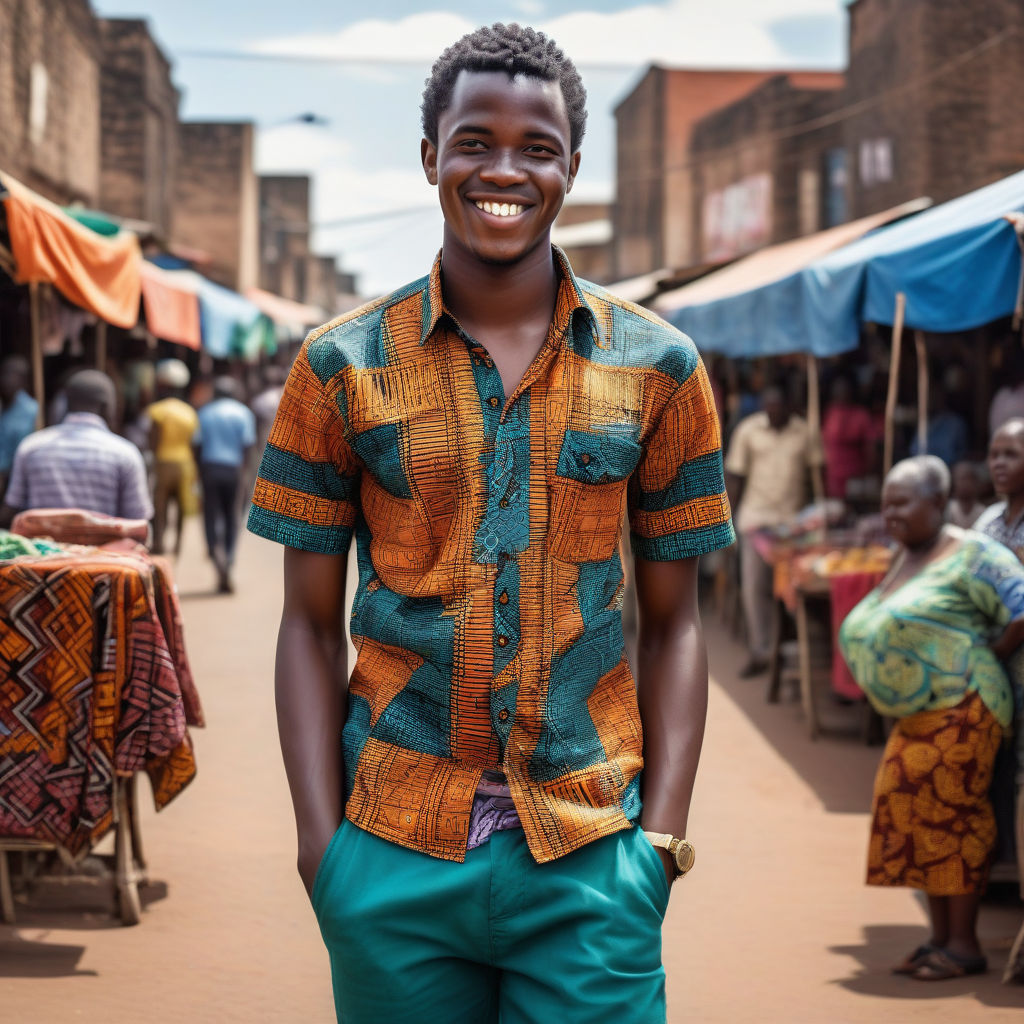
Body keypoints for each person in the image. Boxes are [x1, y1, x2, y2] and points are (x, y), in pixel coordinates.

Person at [247, 22, 735, 1024]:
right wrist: (319, 848)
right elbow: (304, 621)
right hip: (390, 847)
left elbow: (676, 622)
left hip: (592, 855)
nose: (502, 169)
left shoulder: (660, 366)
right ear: (432, 156)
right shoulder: (337, 366)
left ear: (570, 169)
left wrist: (660, 845)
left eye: (535, 148)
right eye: (474, 140)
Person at [839, 456, 1024, 981]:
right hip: (921, 713)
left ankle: (963, 945)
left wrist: (989, 648)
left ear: (938, 504)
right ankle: (939, 937)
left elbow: (1022, 605)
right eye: (885, 503)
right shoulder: (909, 554)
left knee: (953, 815)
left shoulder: (973, 554)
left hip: (965, 708)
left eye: (902, 502)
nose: (889, 512)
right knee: (911, 809)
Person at [725, 385, 821, 677]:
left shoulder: (806, 433)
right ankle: (762, 650)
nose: (774, 410)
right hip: (756, 521)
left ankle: (793, 648)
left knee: (795, 588)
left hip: (794, 526)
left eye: (780, 405)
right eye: (770, 405)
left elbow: (817, 476)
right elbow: (735, 476)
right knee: (755, 588)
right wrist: (726, 523)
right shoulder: (748, 431)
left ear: (790, 405)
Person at [0, 369, 152, 526]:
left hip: (41, 549)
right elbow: (139, 522)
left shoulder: (30, 447)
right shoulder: (125, 454)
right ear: (107, 407)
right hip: (105, 549)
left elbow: (12, 507)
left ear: (66, 403)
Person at [195, 376, 256, 593]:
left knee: (210, 516)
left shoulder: (204, 413)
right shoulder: (243, 413)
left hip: (210, 469)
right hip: (234, 471)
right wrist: (245, 474)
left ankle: (215, 553)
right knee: (232, 517)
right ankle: (228, 559)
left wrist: (199, 473)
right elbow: (248, 446)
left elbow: (197, 445)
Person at [146, 358, 199, 556]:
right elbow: (193, 442)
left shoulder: (157, 410)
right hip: (185, 463)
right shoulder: (189, 412)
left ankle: (159, 543)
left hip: (163, 462)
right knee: (182, 507)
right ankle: (177, 545)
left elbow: (153, 439)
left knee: (160, 508)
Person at [820, 375, 879, 500]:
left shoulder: (861, 415)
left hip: (855, 480)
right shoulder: (830, 412)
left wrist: (866, 474)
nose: (840, 394)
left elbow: (871, 450)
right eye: (837, 391)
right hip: (833, 479)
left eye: (843, 390)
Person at [0, 355, 39, 501]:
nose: (7, 379)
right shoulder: (2, 406)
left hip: (16, 478)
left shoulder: (32, 410)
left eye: (13, 374)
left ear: (23, 380)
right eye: (4, 373)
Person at [946, 461, 988, 529]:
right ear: (953, 482)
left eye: (968, 478)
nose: (965, 483)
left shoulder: (983, 512)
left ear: (975, 482)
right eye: (961, 479)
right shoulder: (948, 510)